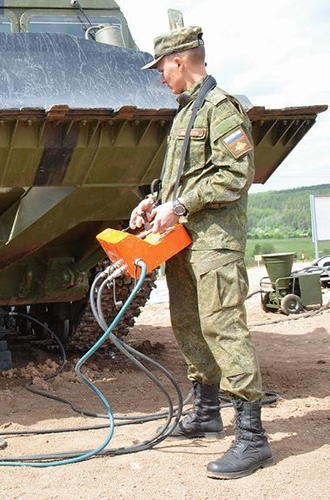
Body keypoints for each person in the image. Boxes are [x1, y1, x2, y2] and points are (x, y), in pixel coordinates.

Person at [131, 25, 273, 479]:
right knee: (189, 325)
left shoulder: (222, 109)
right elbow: (182, 181)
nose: (159, 78)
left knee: (223, 328)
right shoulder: (184, 113)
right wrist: (155, 200)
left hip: (215, 244)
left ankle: (252, 438)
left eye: (161, 68)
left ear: (180, 61)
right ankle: (206, 412)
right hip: (183, 242)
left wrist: (181, 205)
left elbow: (236, 174)